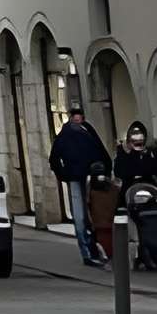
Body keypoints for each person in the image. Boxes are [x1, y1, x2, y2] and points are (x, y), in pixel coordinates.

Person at [49, 107, 112, 265]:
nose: (77, 121)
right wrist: (65, 175)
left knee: (94, 214)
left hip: (91, 177)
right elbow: (54, 159)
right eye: (75, 119)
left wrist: (107, 169)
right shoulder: (66, 135)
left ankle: (95, 248)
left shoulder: (86, 131)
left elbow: (101, 151)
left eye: (79, 119)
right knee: (81, 216)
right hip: (77, 178)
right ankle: (87, 252)